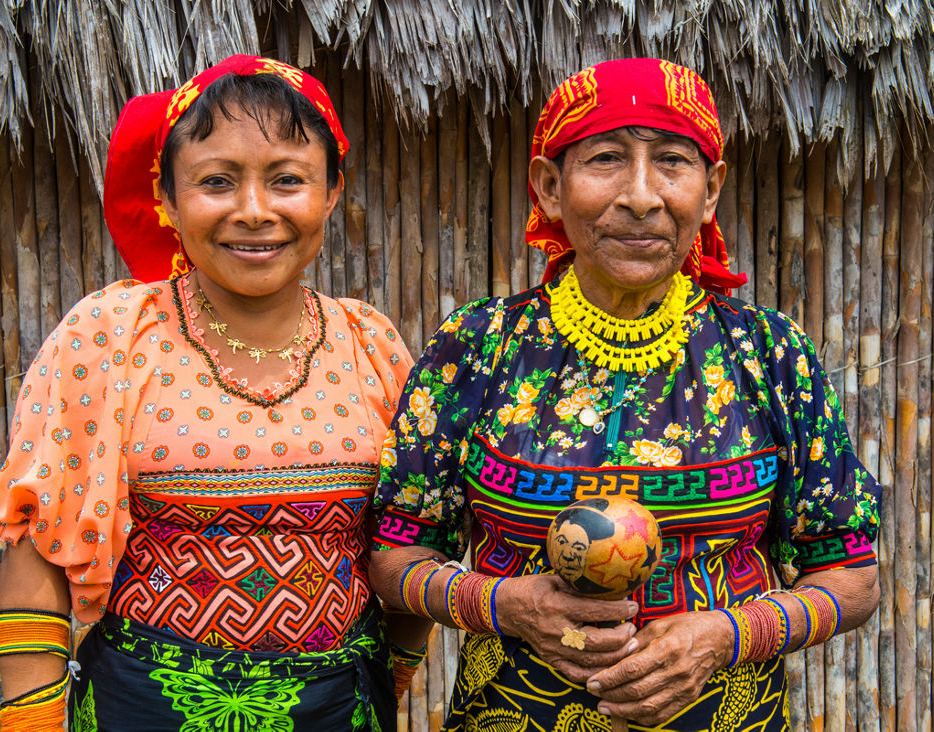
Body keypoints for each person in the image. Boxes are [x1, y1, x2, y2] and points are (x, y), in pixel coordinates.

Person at [369, 58, 882, 731]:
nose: (641, 195)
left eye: (672, 162)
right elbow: (395, 555)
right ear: (550, 188)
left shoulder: (769, 354)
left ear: (710, 190)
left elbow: (851, 575)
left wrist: (725, 636)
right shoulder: (480, 347)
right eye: (606, 159)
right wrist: (507, 606)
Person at [0, 55, 423, 731]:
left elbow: (407, 536)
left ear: (332, 191)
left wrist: (391, 685)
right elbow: (41, 542)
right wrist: (31, 723)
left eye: (287, 180)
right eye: (216, 181)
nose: (253, 211)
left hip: (340, 707)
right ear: (167, 198)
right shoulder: (112, 335)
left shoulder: (371, 343)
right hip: (146, 706)